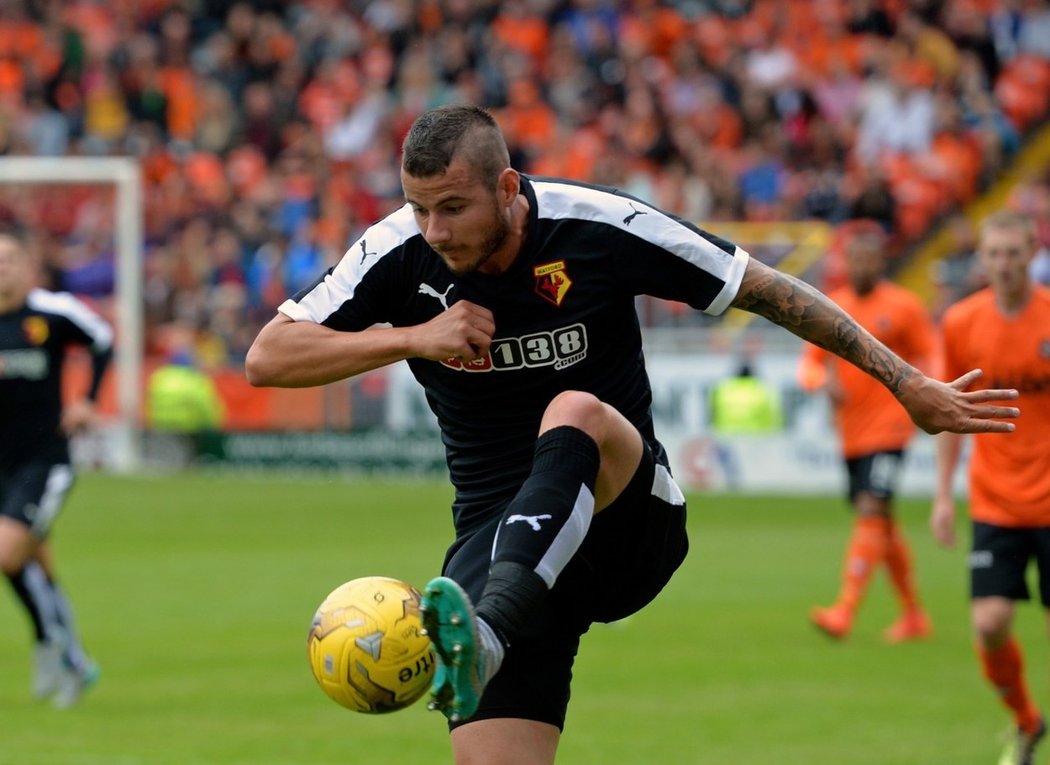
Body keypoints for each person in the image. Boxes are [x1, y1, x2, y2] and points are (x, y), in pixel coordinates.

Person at [246, 105, 1018, 765]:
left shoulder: (598, 225)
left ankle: (486, 633)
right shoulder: (398, 251)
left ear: (508, 189)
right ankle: (490, 630)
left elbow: (769, 289)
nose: (433, 228)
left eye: (452, 207)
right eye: (418, 207)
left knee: (572, 410)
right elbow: (268, 356)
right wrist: (411, 337)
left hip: (626, 516)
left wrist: (905, 380)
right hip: (498, 542)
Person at [930, 210, 1050, 765]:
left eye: (1014, 253)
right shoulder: (960, 323)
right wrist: (941, 495)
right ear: (981, 258)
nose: (1003, 265)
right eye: (994, 254)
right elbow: (950, 413)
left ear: (1032, 254)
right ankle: (1027, 722)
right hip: (995, 498)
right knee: (990, 622)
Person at [799, 229, 936, 643]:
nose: (861, 267)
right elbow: (809, 364)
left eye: (868, 259)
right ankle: (914, 615)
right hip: (852, 432)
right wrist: (823, 381)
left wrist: (924, 396)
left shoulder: (904, 305)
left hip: (891, 427)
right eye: (854, 259)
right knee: (883, 523)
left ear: (881, 261)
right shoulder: (834, 306)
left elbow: (929, 353)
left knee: (871, 508)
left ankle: (845, 609)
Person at [0, 231, 112, 708]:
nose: (1, 268)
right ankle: (73, 659)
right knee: (30, 563)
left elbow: (103, 341)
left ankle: (51, 645)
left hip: (44, 461)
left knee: (7, 554)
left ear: (27, 266)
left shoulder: (52, 312)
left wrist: (86, 402)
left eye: (8, 259)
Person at [709, 356, 784, 435]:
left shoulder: (723, 390)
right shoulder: (762, 390)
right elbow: (773, 417)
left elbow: (713, 413)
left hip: (726, 434)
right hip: (757, 436)